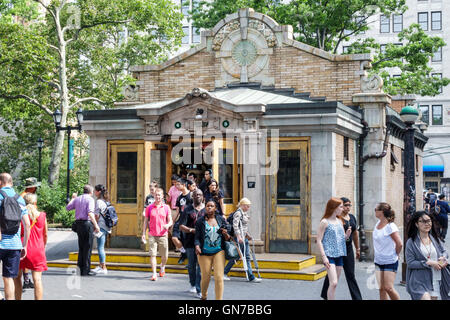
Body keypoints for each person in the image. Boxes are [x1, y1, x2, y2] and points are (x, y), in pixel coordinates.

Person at [320, 197, 362, 300]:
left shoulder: (351, 217)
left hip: (347, 249)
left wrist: (357, 248)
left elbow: (355, 234)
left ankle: (357, 298)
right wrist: (324, 256)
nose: (347, 207)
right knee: (332, 278)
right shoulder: (336, 219)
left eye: (349, 205)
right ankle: (326, 295)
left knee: (350, 274)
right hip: (334, 250)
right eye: (344, 205)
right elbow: (321, 239)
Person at [405, 210, 450, 300]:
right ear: (416, 224)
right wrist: (428, 263)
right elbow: (410, 263)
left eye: (429, 221)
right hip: (419, 280)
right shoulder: (411, 242)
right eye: (423, 221)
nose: (427, 224)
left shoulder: (435, 239)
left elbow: (444, 252)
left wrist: (443, 259)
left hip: (436, 278)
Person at [0, 173, 30, 300]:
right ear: (11, 183)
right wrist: (25, 245)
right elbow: (27, 224)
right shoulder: (20, 198)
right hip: (14, 245)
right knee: (9, 278)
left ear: (0, 183)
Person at [14, 193, 48, 300]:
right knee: (37, 279)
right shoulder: (42, 216)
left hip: (21, 247)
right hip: (37, 249)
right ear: (35, 202)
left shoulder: (20, 215)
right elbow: (45, 234)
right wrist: (43, 246)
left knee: (17, 277)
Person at [316, 197, 352, 300]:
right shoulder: (324, 222)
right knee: (334, 282)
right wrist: (324, 257)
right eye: (341, 207)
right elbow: (319, 240)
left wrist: (347, 235)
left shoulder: (339, 221)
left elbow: (341, 239)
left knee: (334, 284)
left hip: (339, 254)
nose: (343, 209)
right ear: (334, 208)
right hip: (329, 255)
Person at [194, 200, 230, 300]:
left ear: (215, 208)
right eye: (208, 206)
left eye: (212, 206)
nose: (209, 208)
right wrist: (197, 246)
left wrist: (226, 233)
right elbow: (196, 237)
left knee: (219, 278)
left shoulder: (220, 219)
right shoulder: (200, 221)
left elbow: (228, 235)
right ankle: (204, 295)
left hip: (219, 251)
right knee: (206, 277)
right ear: (205, 208)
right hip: (204, 252)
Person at [223, 198, 261, 283]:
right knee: (244, 256)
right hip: (240, 238)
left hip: (243, 238)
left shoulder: (244, 213)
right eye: (247, 206)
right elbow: (236, 225)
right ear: (243, 205)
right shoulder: (238, 213)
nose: (248, 208)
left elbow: (242, 227)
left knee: (238, 256)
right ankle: (251, 276)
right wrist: (239, 236)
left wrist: (247, 235)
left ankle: (224, 272)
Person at [66, 185, 101, 276]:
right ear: (91, 192)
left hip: (78, 224)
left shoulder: (77, 199)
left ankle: (80, 268)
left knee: (81, 247)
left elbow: (68, 207)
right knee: (87, 248)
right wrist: (96, 225)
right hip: (87, 224)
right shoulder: (90, 199)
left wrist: (73, 198)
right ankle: (86, 270)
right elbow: (90, 213)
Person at [373, 202, 403, 300]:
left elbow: (399, 243)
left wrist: (396, 254)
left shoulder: (390, 226)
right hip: (378, 260)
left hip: (390, 260)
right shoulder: (377, 223)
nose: (374, 211)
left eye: (376, 209)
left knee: (388, 288)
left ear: (381, 212)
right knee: (381, 289)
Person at [179, 188, 206, 298]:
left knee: (200, 267)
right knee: (191, 266)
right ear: (192, 197)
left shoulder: (207, 209)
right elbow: (181, 225)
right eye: (196, 195)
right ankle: (193, 284)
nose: (198, 196)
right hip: (190, 242)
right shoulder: (187, 209)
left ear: (203, 196)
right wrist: (191, 230)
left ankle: (199, 290)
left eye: (200, 194)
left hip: (203, 242)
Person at [142, 188, 173, 281]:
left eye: (159, 195)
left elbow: (170, 220)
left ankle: (162, 267)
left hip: (163, 234)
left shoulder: (166, 207)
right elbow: (145, 221)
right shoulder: (149, 207)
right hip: (152, 234)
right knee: (153, 254)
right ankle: (154, 273)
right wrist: (143, 233)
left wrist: (167, 225)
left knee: (165, 256)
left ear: (162, 196)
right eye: (156, 195)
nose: (158, 197)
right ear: (154, 196)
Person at [20, 177, 40, 290]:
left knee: (26, 255)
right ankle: (26, 279)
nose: (36, 187)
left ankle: (27, 279)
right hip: (26, 227)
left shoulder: (23, 195)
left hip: (28, 226)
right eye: (35, 185)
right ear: (32, 187)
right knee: (25, 254)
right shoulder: (24, 197)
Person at [92, 184, 111, 275]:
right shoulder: (106, 201)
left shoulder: (99, 202)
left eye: (95, 191)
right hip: (106, 226)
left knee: (100, 247)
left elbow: (96, 215)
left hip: (101, 226)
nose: (94, 192)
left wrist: (95, 226)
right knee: (101, 246)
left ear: (99, 192)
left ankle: (103, 267)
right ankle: (101, 265)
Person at [172, 178, 192, 264]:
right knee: (174, 238)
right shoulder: (179, 197)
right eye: (176, 184)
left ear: (184, 185)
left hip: (189, 221)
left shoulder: (191, 195)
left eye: (178, 184)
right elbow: (177, 210)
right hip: (180, 220)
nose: (176, 186)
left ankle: (186, 256)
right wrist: (173, 221)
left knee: (186, 240)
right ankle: (184, 253)